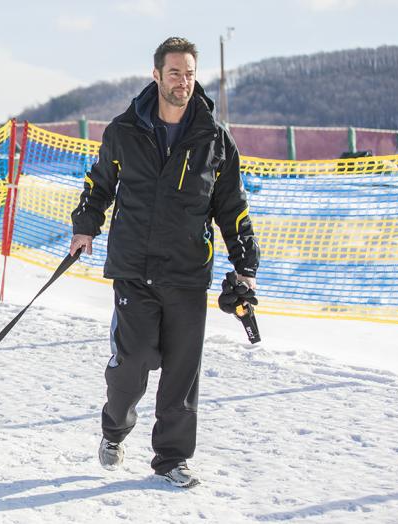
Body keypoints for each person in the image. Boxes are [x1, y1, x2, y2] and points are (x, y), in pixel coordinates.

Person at [69, 37, 260, 488]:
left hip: (187, 272)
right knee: (132, 362)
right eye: (174, 72)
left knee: (181, 373)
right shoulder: (123, 131)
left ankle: (171, 458)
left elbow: (231, 205)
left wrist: (245, 264)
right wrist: (85, 226)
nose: (183, 82)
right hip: (134, 269)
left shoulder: (214, 137)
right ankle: (115, 427)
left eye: (190, 73)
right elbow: (98, 186)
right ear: (156, 75)